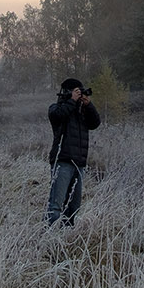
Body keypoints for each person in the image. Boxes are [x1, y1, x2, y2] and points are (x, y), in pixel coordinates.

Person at [47, 77, 101, 226]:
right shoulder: (56, 108)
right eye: (76, 92)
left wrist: (88, 105)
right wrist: (71, 101)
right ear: (68, 93)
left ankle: (66, 236)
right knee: (56, 205)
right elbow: (57, 116)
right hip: (62, 161)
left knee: (73, 207)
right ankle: (49, 238)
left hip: (79, 163)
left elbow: (95, 123)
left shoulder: (81, 112)